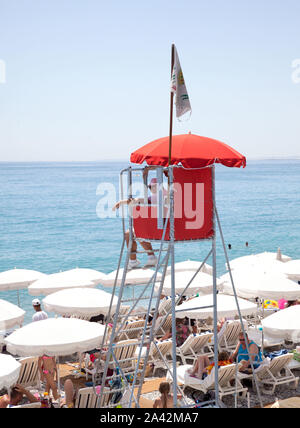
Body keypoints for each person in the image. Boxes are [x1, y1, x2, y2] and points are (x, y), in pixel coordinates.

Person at [112, 176, 167, 269]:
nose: (152, 188)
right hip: (152, 230)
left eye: (155, 186)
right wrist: (122, 202)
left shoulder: (166, 198)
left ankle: (147, 257)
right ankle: (135, 260)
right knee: (129, 233)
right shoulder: (150, 199)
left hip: (160, 230)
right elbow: (137, 200)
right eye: (150, 187)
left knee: (134, 233)